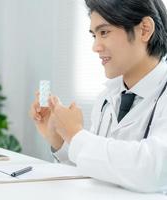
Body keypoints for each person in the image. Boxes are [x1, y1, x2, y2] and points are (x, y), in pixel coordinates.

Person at [30, 0, 167, 193]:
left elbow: (153, 170)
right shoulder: (106, 97)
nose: (95, 47)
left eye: (104, 32)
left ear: (144, 29)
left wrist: (75, 134)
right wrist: (60, 139)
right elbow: (98, 167)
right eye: (94, 35)